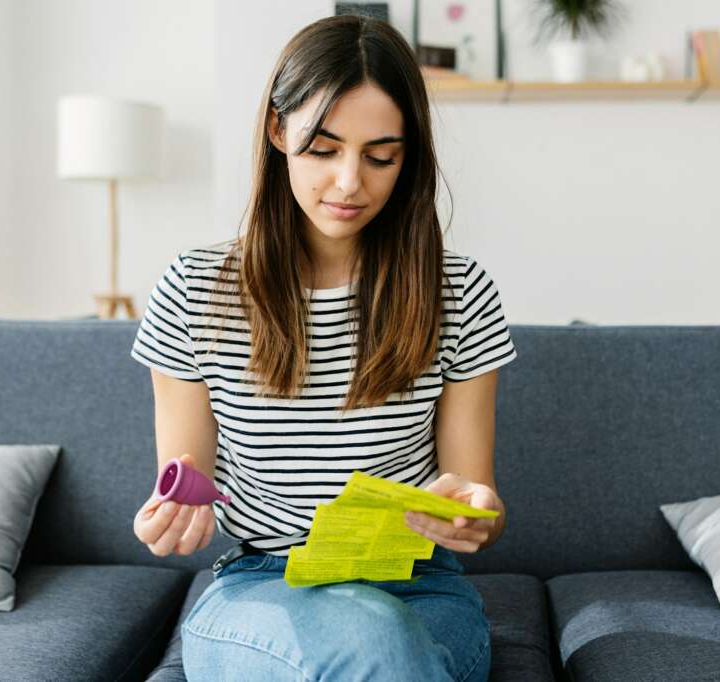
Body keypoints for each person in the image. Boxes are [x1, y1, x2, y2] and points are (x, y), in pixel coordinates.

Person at [130, 13, 517, 682]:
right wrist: (176, 510)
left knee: (383, 637)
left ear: (409, 154)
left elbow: (474, 490)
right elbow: (186, 471)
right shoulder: (195, 289)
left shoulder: (461, 292)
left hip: (419, 585)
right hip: (261, 585)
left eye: (380, 155)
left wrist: (477, 516)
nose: (348, 183)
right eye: (323, 148)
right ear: (279, 131)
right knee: (370, 644)